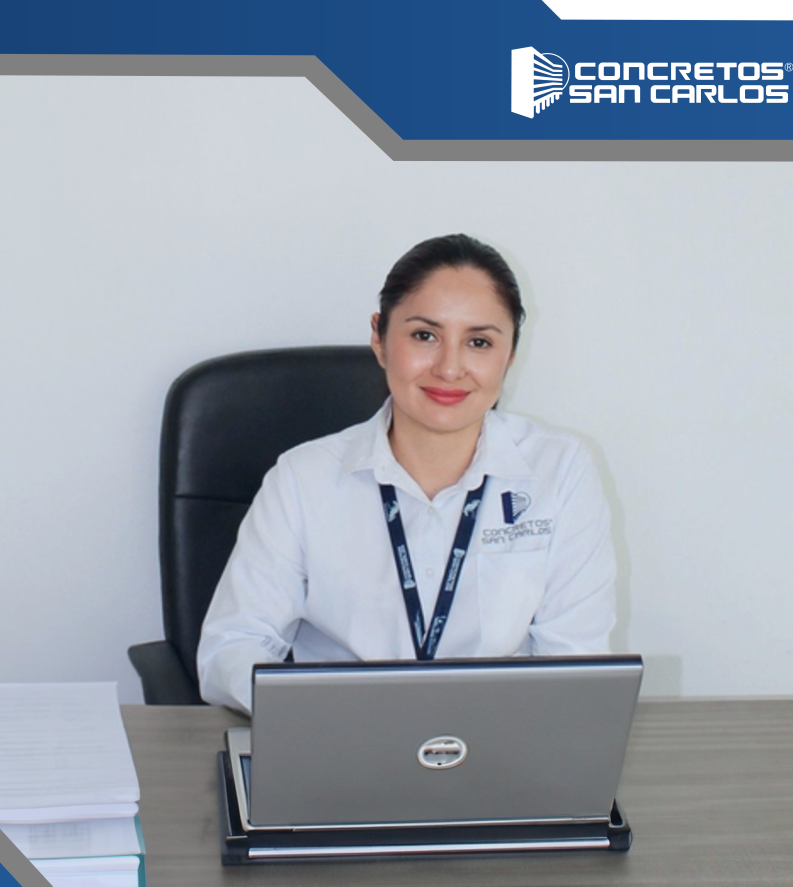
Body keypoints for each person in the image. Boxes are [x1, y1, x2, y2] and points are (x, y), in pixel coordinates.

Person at [198, 234, 617, 713]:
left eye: (479, 342)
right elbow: (232, 648)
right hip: (341, 735)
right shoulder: (302, 480)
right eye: (425, 336)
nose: (450, 368)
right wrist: (323, 717)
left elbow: (576, 664)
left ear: (510, 356)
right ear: (379, 338)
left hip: (500, 739)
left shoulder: (560, 471)